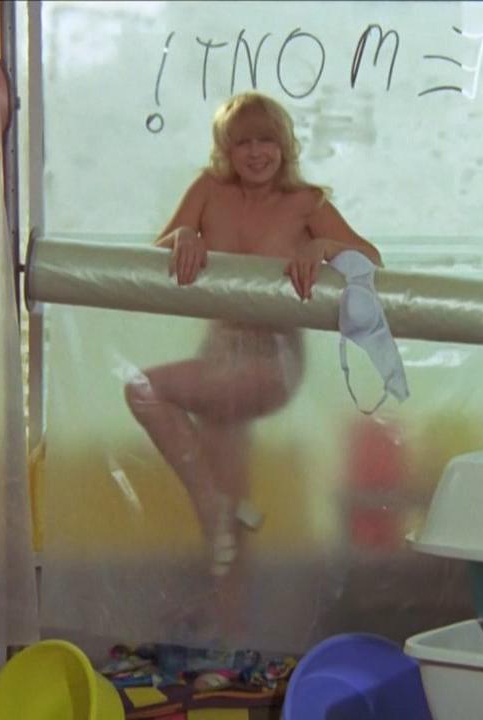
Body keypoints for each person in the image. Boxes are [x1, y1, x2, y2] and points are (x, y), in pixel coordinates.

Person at [123, 92, 382, 598]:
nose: (256, 152)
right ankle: (229, 624)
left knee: (143, 389)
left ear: (285, 145)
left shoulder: (307, 203)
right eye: (242, 143)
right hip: (217, 353)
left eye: (266, 140)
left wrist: (323, 247)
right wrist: (183, 236)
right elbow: (153, 258)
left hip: (270, 362)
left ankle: (211, 503)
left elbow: (372, 259)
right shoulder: (208, 189)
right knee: (226, 525)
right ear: (226, 148)